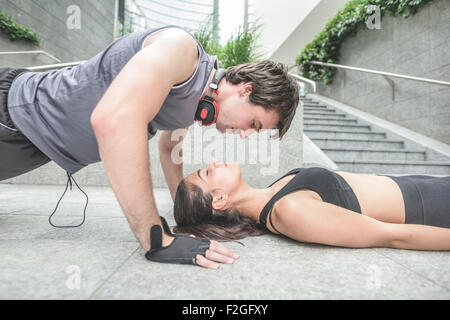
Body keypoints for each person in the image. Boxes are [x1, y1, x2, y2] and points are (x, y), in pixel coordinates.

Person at [0, 25, 300, 269]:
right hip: (13, 112)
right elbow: (112, 120)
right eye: (254, 125)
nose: (246, 135)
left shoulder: (197, 104)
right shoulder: (180, 50)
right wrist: (155, 236)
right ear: (246, 90)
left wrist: (186, 219)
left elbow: (170, 150)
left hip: (34, 147)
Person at [173, 161, 450, 251]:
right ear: (220, 200)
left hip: (423, 185)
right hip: (431, 206)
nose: (211, 164)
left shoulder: (273, 191)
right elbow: (391, 235)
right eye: (206, 174)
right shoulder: (288, 211)